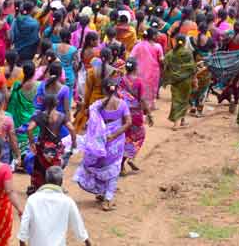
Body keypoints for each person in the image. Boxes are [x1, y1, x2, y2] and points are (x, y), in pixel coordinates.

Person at [74, 77, 131, 211]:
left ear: (104, 90)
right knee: (113, 168)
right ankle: (108, 199)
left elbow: (88, 114)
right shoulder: (122, 104)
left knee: (101, 165)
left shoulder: (98, 105)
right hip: (116, 142)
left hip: (101, 140)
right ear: (116, 89)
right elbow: (128, 123)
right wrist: (114, 134)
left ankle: (102, 192)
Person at [19, 166, 90, 246]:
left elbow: (24, 225)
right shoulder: (67, 201)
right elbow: (78, 224)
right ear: (61, 181)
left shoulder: (33, 199)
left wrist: (22, 241)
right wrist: (87, 242)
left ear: (46, 180)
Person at [120, 58, 152, 174]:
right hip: (135, 114)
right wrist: (149, 113)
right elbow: (142, 99)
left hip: (123, 114)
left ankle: (122, 166)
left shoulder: (121, 80)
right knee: (140, 136)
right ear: (135, 68)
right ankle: (131, 157)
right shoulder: (138, 82)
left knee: (125, 137)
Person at [161, 34, 194, 130]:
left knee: (176, 101)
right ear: (184, 42)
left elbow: (165, 64)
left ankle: (178, 122)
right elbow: (192, 67)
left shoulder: (171, 53)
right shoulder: (188, 53)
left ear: (176, 41)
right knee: (184, 101)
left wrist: (169, 75)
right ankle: (179, 121)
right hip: (186, 81)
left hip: (175, 81)